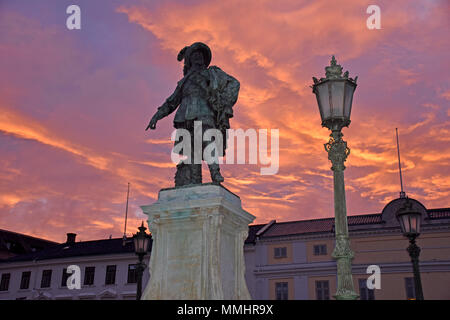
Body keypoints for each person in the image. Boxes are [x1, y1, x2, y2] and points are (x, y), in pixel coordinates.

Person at [146, 42, 240, 187]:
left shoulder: (212, 73)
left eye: (200, 56)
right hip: (184, 118)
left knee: (208, 142)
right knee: (192, 153)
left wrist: (223, 102)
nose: (198, 58)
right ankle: (195, 181)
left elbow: (234, 83)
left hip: (205, 113)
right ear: (190, 61)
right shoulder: (184, 82)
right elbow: (171, 102)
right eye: (195, 56)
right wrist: (156, 116)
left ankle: (215, 173)